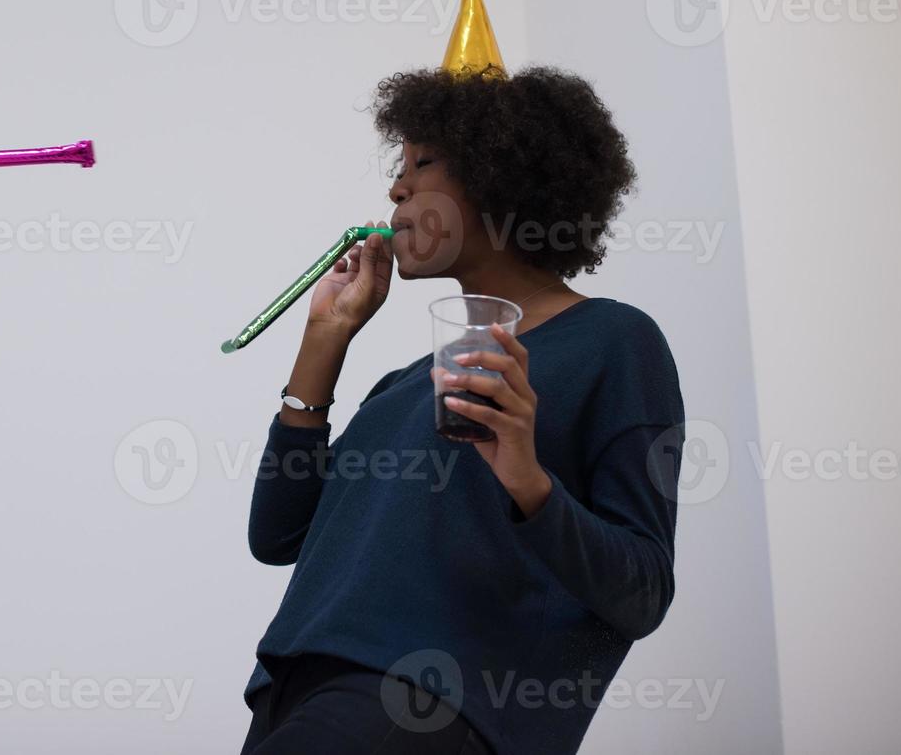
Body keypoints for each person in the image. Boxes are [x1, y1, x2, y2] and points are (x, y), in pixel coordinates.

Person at [239, 54, 685, 752]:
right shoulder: (402, 387)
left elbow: (642, 591)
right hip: (295, 690)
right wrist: (325, 338)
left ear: (495, 176)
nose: (394, 189)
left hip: (427, 704)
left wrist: (526, 480)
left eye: (421, 165)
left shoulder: (611, 341)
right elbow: (278, 536)